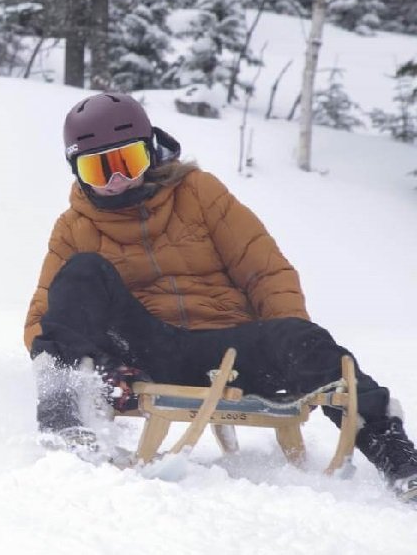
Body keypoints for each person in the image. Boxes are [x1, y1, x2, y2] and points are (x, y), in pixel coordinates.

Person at [25, 92, 417, 501]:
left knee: (304, 339)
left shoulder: (198, 192)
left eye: (128, 162)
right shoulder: (73, 227)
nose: (116, 179)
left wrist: (288, 353)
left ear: (151, 151)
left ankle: (395, 453)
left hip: (228, 348)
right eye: (97, 169)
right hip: (146, 351)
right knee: (82, 272)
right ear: (76, 172)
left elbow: (265, 271)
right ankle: (63, 417)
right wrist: (105, 366)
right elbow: (43, 320)